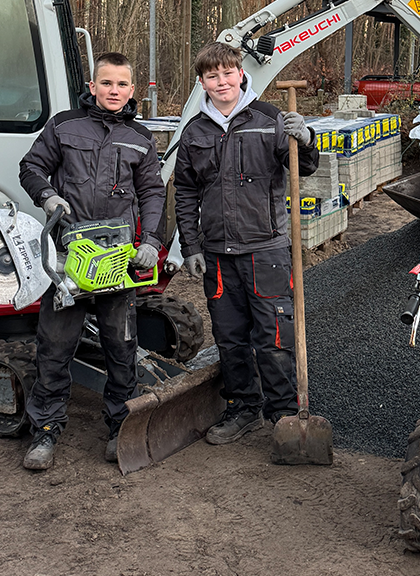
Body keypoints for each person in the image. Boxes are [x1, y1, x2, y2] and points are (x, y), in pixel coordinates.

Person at [18, 52, 166, 468]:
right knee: (55, 346)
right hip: (69, 258)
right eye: (107, 83)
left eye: (122, 84)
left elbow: (154, 193)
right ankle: (45, 432)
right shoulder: (65, 126)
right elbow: (31, 167)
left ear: (132, 90)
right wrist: (47, 197)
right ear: (93, 86)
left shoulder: (140, 139)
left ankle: (121, 426)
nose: (114, 91)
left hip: (117, 260)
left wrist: (152, 241)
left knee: (121, 346)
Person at [173, 41, 320, 444]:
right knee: (230, 337)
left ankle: (284, 415)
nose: (221, 82)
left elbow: (303, 166)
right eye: (211, 76)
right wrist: (191, 246)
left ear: (240, 73)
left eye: (227, 73)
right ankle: (243, 408)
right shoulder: (195, 131)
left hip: (266, 249)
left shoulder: (269, 118)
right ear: (202, 82)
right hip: (218, 253)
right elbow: (184, 192)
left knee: (273, 337)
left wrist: (305, 139)